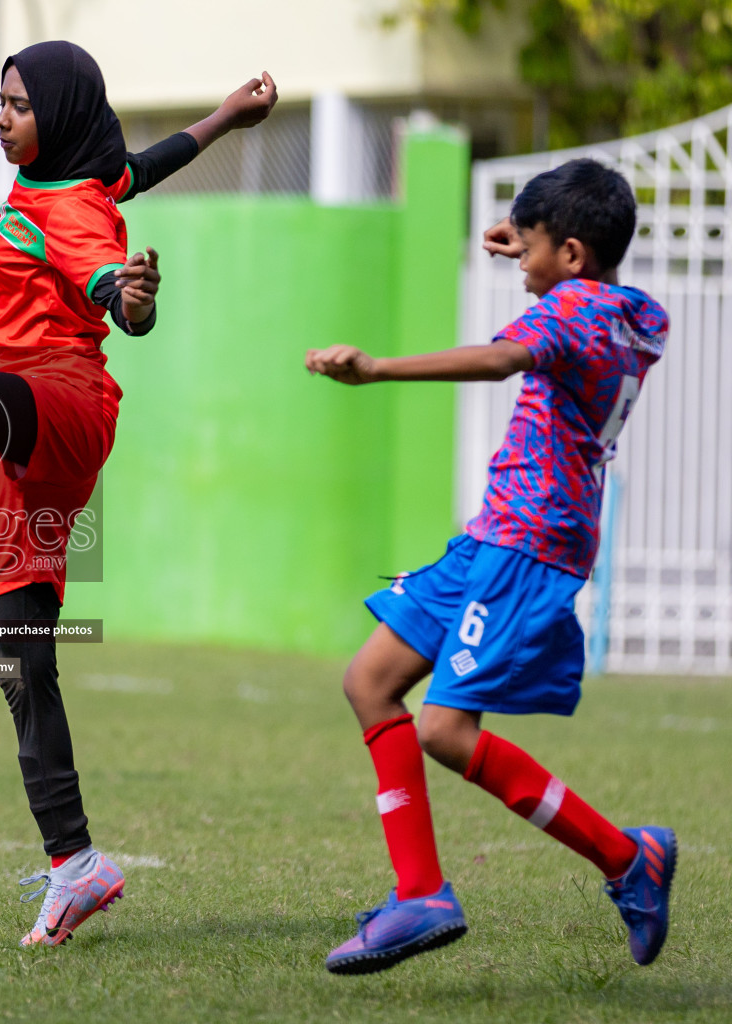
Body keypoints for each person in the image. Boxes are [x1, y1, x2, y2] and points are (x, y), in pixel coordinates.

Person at [0, 40, 277, 946]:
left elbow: (111, 287)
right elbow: (140, 169)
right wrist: (227, 118)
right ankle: (75, 865)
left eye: (19, 105)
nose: (3, 117)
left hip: (61, 401)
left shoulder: (71, 205)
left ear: (61, 112)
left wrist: (136, 301)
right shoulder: (84, 176)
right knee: (22, 663)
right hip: (23, 443)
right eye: (0, 102)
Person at [305, 157, 673, 974]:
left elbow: (504, 358)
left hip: (526, 544)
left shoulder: (569, 311)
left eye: (530, 247)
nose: (518, 260)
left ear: (572, 255)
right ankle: (420, 895)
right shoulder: (633, 314)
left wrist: (376, 371)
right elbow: (579, 292)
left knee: (443, 727)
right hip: (494, 538)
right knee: (370, 682)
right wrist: (534, 247)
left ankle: (625, 859)